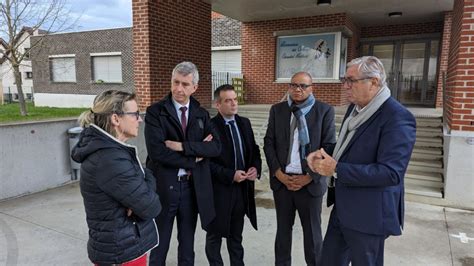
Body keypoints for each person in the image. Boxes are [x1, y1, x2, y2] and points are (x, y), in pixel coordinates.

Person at [307, 56, 417, 266]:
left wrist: (337, 168)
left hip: (369, 216)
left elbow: (391, 173)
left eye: (351, 81)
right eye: (344, 80)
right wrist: (320, 153)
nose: (345, 86)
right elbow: (347, 147)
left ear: (374, 82)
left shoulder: (397, 117)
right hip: (343, 209)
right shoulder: (356, 108)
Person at [71, 90, 161, 266]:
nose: (140, 119)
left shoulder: (114, 151)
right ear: (115, 119)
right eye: (135, 114)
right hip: (121, 254)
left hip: (122, 247)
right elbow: (151, 207)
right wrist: (145, 181)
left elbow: (144, 178)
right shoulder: (110, 159)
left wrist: (141, 184)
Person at [144, 61, 221, 265]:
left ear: (194, 87)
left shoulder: (201, 114)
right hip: (164, 187)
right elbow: (157, 152)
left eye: (185, 84)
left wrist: (182, 146)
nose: (179, 88)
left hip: (191, 189)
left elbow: (215, 148)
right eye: (175, 82)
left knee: (187, 246)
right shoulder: (155, 112)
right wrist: (195, 155)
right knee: (159, 245)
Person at [263, 71, 336, 266]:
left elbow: (328, 147)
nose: (298, 89)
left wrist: (310, 176)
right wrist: (278, 173)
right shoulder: (277, 110)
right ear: (289, 87)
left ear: (312, 88)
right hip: (283, 183)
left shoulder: (324, 111)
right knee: (283, 233)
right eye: (294, 85)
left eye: (303, 86)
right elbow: (268, 143)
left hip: (310, 184)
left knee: (312, 235)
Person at [206, 84, 262, 266]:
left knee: (236, 238)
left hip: (241, 191)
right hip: (218, 192)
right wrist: (230, 175)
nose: (233, 104)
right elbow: (207, 164)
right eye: (228, 100)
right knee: (214, 238)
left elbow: (254, 150)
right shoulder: (210, 127)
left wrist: (255, 168)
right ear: (217, 104)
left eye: (235, 99)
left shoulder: (244, 122)